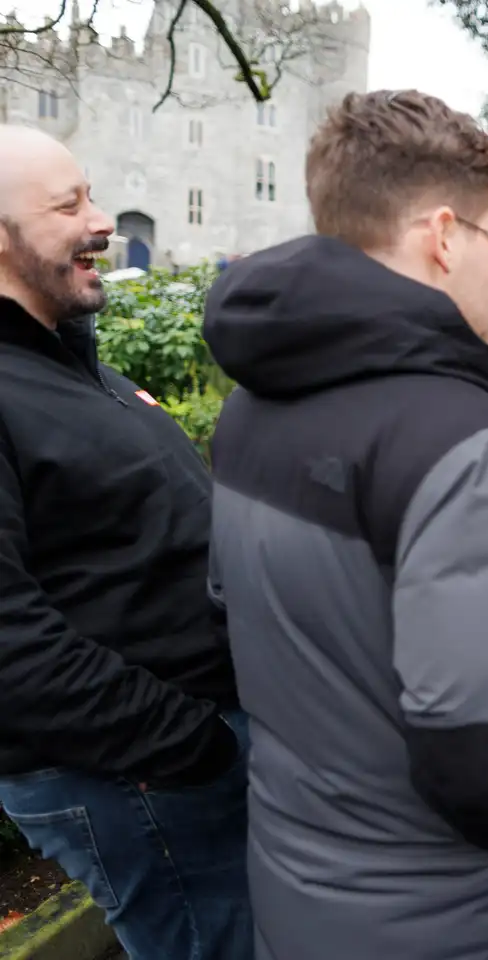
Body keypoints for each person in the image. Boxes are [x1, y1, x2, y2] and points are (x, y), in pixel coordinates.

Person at [203, 90, 488, 960]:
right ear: (443, 235)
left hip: (298, 876)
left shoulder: (252, 402)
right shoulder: (468, 444)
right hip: (446, 912)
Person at [0, 126, 250, 959]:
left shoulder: (70, 367)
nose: (102, 220)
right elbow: (10, 645)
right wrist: (196, 743)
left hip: (172, 759)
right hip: (137, 772)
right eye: (69, 205)